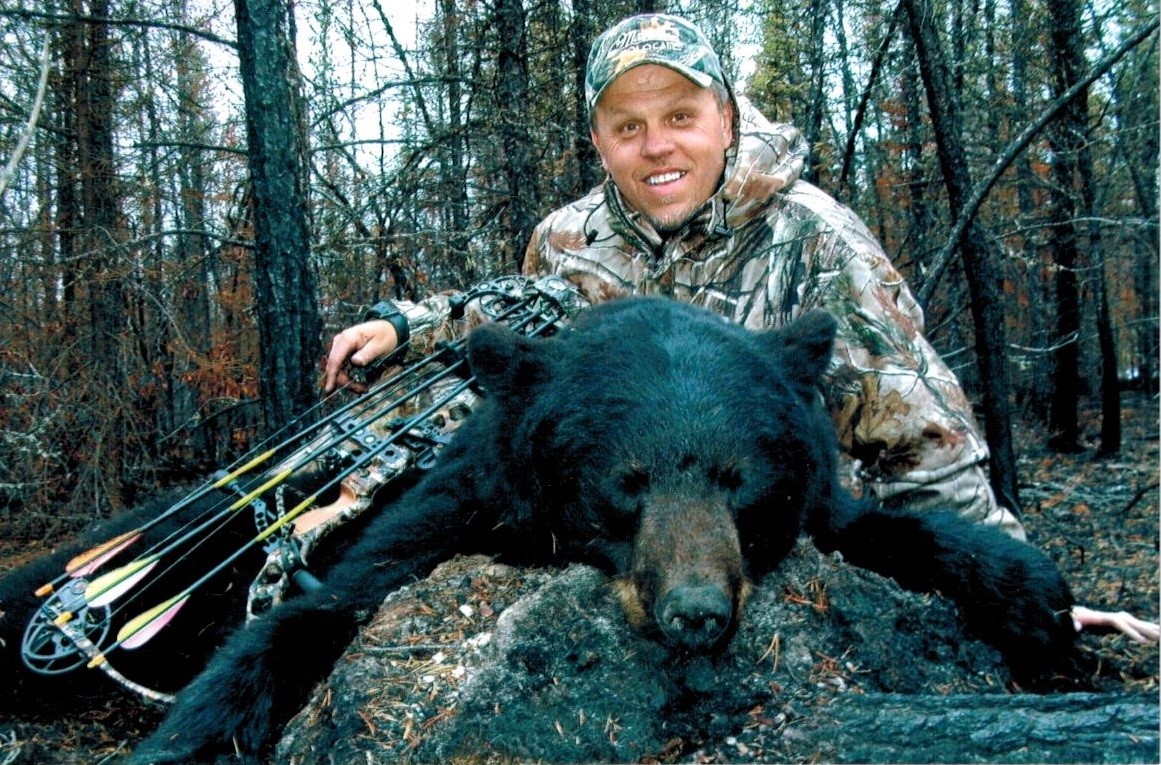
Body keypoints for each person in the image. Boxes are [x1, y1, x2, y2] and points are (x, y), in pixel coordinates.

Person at [323, 13, 1157, 642]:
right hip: (629, 514)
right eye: (628, 127)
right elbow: (521, 326)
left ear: (724, 115)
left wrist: (994, 574)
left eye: (680, 116)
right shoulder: (568, 235)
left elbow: (917, 422)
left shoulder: (812, 235)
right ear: (600, 141)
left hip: (759, 517)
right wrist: (407, 323)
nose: (657, 146)